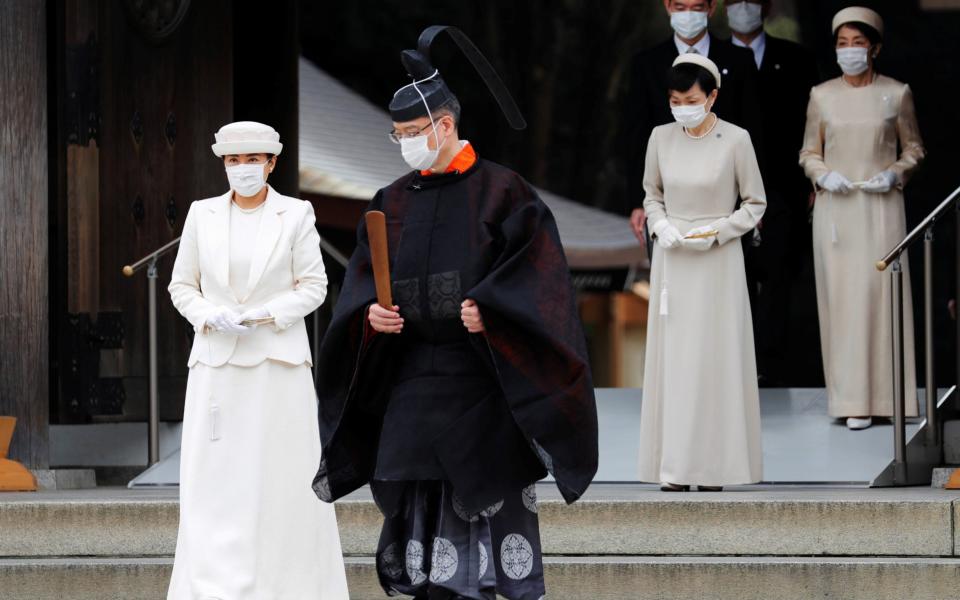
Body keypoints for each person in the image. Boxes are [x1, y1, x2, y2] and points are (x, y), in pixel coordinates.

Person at [311, 26, 598, 600]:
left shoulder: (505, 193)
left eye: (415, 132)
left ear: (445, 125)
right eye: (399, 136)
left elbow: (541, 281)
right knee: (417, 514)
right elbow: (361, 286)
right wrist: (372, 318)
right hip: (411, 379)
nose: (406, 144)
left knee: (489, 514)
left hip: (482, 381)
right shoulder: (389, 201)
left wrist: (493, 313)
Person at [167, 121, 348, 599]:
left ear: (272, 163)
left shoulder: (296, 213)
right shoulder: (201, 214)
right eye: (233, 161)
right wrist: (209, 315)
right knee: (217, 477)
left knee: (281, 476)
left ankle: (290, 586)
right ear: (222, 165)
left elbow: (314, 286)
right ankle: (211, 587)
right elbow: (181, 285)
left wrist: (269, 313)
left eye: (252, 160)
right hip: (217, 364)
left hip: (277, 363)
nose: (242, 169)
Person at [638, 54, 766, 492]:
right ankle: (674, 467)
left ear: (712, 96)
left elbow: (755, 203)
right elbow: (651, 195)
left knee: (714, 360)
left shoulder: (736, 140)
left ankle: (714, 467)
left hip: (718, 257)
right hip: (673, 257)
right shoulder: (660, 137)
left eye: (691, 99)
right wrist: (661, 226)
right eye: (675, 100)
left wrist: (719, 231)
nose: (682, 107)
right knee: (676, 360)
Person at [799, 7, 926, 430]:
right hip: (837, 211)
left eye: (857, 42)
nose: (849, 51)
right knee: (844, 302)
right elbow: (808, 152)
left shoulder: (897, 93)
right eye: (842, 43)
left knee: (882, 296)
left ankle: (892, 398)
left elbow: (914, 149)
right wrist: (823, 175)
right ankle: (851, 399)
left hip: (882, 205)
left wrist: (894, 173)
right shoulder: (822, 95)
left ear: (874, 47)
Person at [725, 0, 821, 385]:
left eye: (752, 0)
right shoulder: (715, 58)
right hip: (728, 191)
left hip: (786, 189)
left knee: (783, 278)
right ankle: (737, 370)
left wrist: (811, 179)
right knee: (735, 278)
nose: (744, 7)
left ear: (766, 7)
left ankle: (778, 371)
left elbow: (813, 124)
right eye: (734, 0)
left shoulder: (795, 58)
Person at [625, 0, 762, 245]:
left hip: (726, 206)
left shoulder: (739, 59)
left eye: (697, 7)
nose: (688, 14)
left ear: (711, 9)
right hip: (669, 204)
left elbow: (755, 129)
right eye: (680, 7)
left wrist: (749, 208)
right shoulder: (646, 62)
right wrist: (639, 202)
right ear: (667, 6)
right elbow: (636, 136)